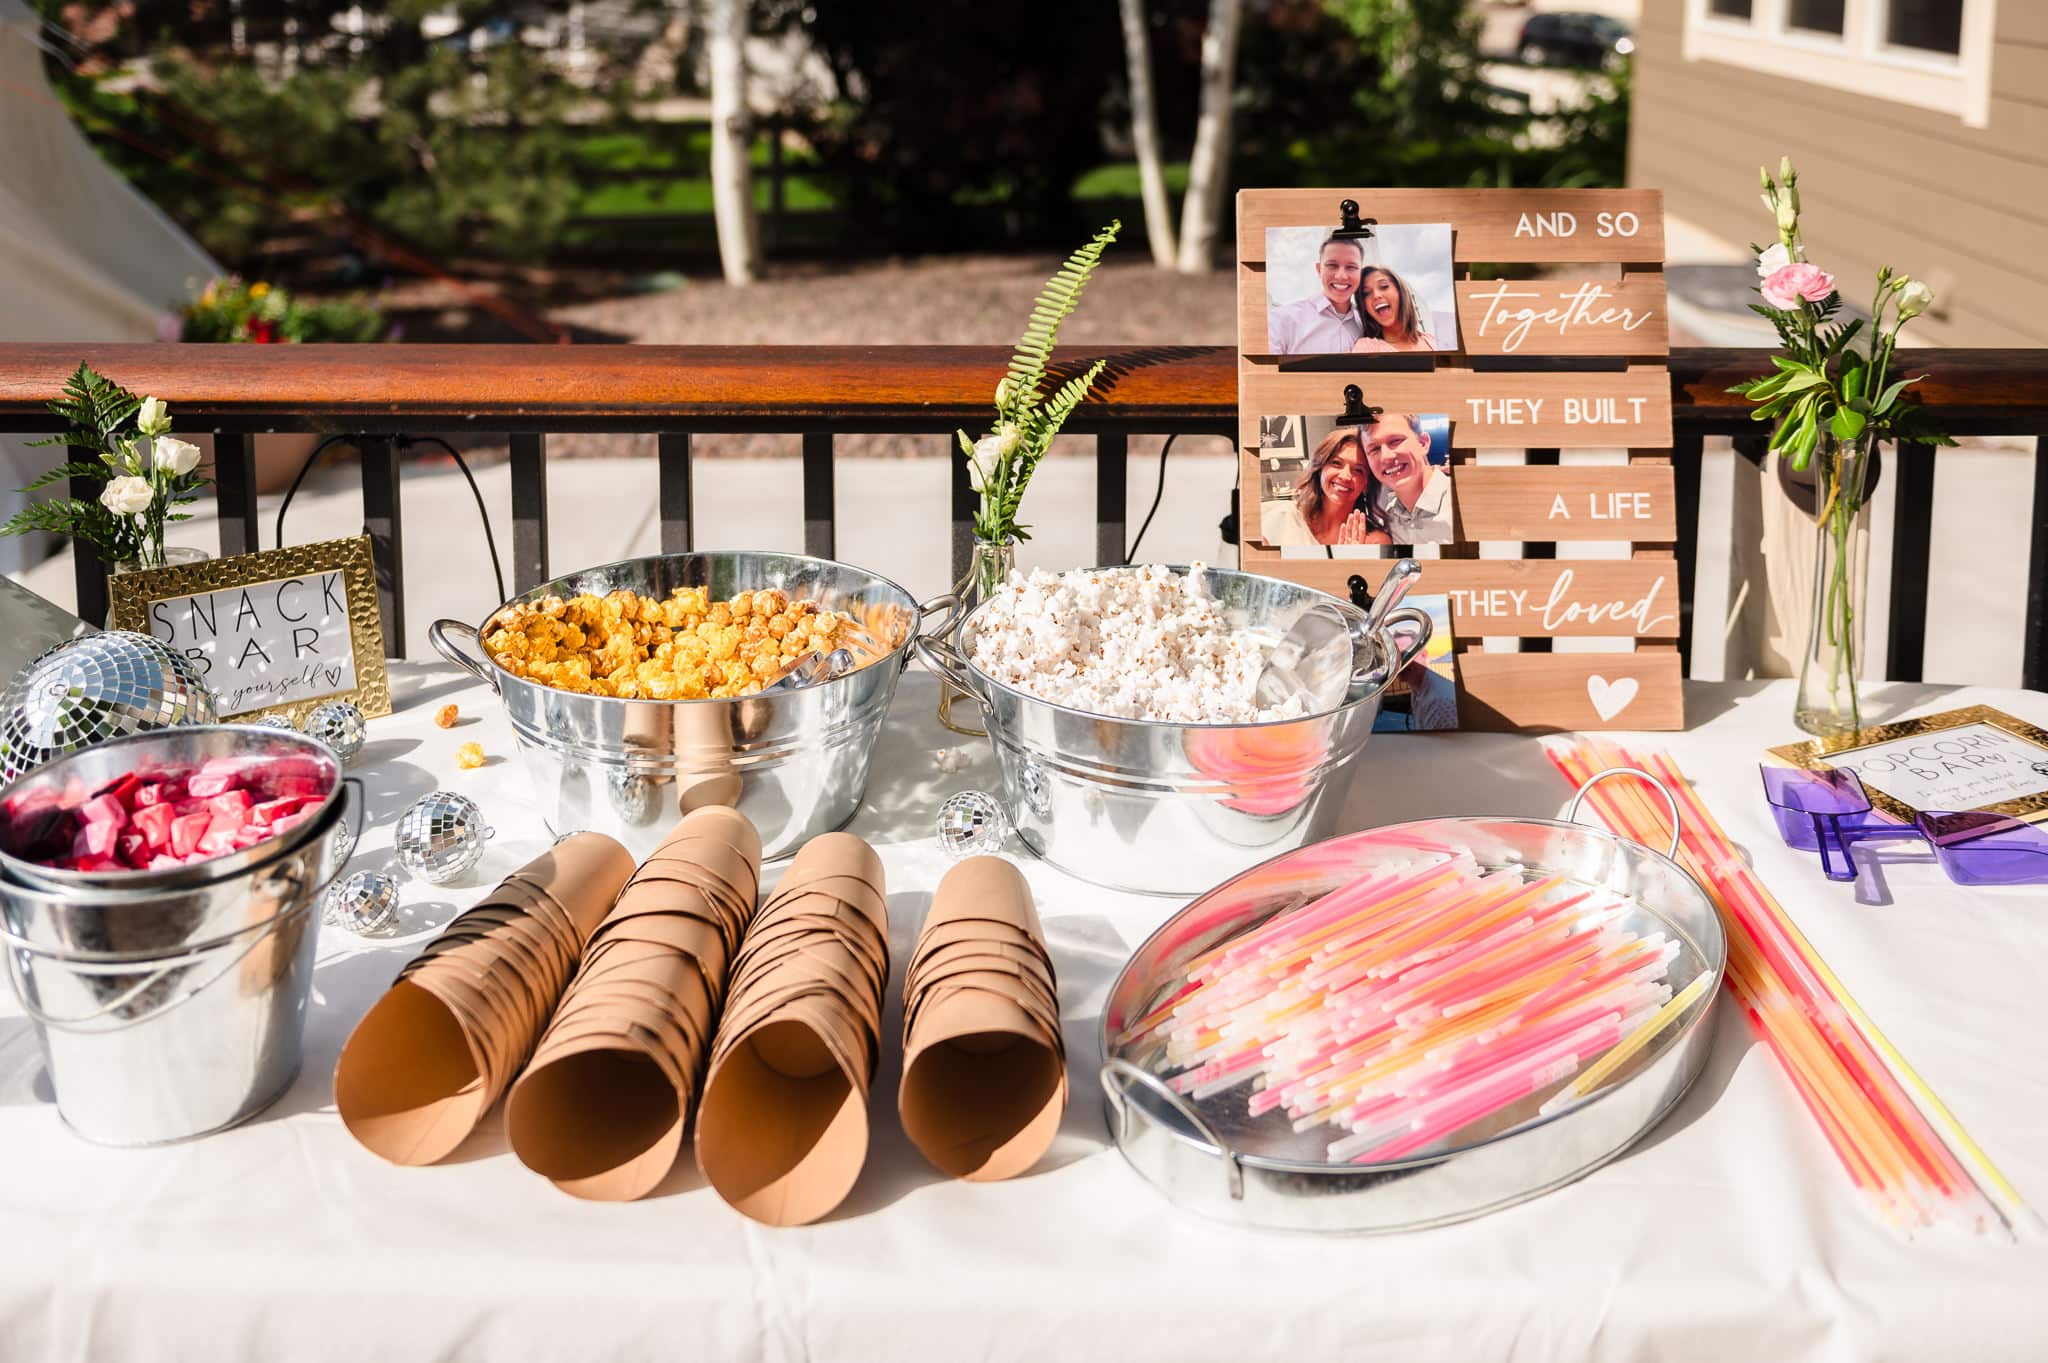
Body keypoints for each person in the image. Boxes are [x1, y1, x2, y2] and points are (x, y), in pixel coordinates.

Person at [1263, 426, 1389, 547]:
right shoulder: (1282, 518)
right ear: (1319, 468)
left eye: (1358, 470)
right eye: (1336, 463)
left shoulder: (1375, 541)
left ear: (1367, 482)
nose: (1345, 476)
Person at [1268, 236, 1366, 355]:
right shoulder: (1281, 320)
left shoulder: (1367, 323)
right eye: (1332, 265)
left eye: (1351, 267)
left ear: (1360, 273)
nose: (1341, 276)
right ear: (1319, 269)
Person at [1363, 414, 1452, 545]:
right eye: (1374, 449)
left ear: (1423, 443)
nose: (1386, 457)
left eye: (1395, 441)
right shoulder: (1388, 521)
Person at [1383, 618, 1460, 732]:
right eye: (1395, 656)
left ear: (1423, 654)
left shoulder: (1440, 703)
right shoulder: (1419, 688)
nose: (1399, 663)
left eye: (1406, 655)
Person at [1350, 266, 1444, 353]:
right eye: (1366, 293)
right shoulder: (1366, 348)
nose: (1376, 295)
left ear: (1400, 291)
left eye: (1384, 286)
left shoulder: (1431, 340)